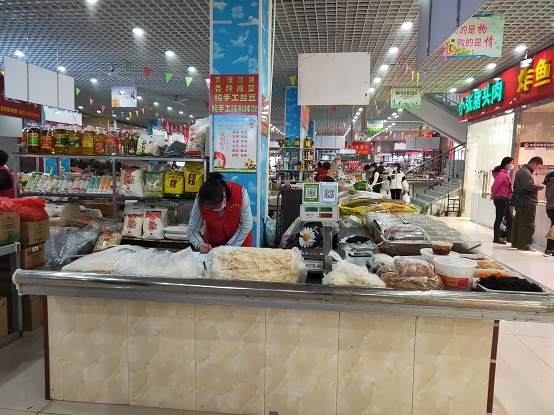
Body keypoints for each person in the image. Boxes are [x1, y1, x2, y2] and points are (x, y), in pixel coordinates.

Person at [186, 172, 253, 253]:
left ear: (224, 195)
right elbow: (192, 230)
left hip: (240, 242)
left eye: (217, 207)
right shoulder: (201, 199)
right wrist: (200, 244)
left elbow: (246, 225)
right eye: (209, 208)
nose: (213, 210)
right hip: (213, 244)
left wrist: (229, 247)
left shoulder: (240, 193)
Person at [511, 156, 545, 251]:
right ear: (534, 164)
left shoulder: (523, 171)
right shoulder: (525, 172)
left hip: (522, 201)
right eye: (538, 167)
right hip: (527, 202)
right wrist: (539, 186)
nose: (538, 169)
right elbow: (528, 186)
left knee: (519, 222)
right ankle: (524, 244)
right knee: (527, 223)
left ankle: (516, 242)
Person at [490, 157, 514, 244]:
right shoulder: (502, 174)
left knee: (509, 218)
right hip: (501, 198)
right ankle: (496, 237)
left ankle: (510, 237)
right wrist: (492, 195)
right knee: (499, 218)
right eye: (511, 163)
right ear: (506, 164)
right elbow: (495, 185)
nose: (512, 165)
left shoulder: (506, 173)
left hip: (506, 198)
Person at [543, 170, 554, 257]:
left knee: (553, 227)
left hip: (549, 206)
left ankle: (550, 249)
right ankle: (549, 249)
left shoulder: (549, 179)